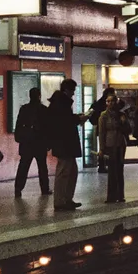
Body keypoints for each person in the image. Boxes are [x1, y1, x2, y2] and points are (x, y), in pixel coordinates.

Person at [49, 79, 89, 210]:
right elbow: (64, 122)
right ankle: (60, 201)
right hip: (64, 143)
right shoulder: (60, 103)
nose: (73, 93)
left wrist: (76, 117)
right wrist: (78, 119)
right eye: (72, 90)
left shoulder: (60, 103)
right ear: (67, 89)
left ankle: (67, 199)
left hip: (65, 142)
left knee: (72, 171)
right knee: (64, 172)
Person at [14, 87, 52, 199]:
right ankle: (44, 189)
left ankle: (18, 189)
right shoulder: (44, 109)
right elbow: (47, 128)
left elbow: (19, 124)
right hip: (40, 143)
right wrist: (48, 143)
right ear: (39, 96)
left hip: (26, 143)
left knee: (23, 166)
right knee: (42, 167)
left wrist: (19, 138)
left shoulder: (24, 109)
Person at [98, 94, 131, 204]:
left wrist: (123, 122)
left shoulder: (121, 114)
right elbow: (101, 133)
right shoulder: (103, 115)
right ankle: (111, 196)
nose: (110, 103)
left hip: (121, 144)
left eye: (112, 101)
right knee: (112, 170)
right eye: (108, 101)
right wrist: (102, 148)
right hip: (110, 144)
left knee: (120, 169)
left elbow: (128, 129)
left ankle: (120, 195)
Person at [88, 87, 116, 173]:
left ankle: (102, 165)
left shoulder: (96, 103)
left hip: (98, 127)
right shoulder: (105, 105)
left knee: (102, 146)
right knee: (104, 146)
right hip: (106, 129)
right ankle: (104, 165)